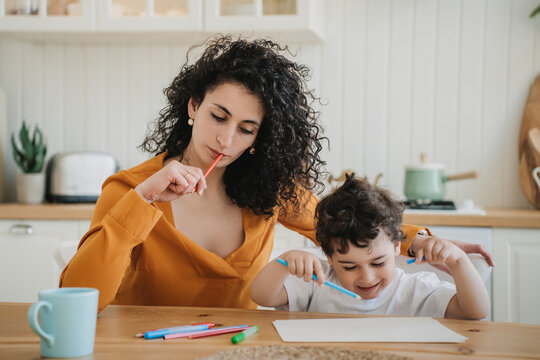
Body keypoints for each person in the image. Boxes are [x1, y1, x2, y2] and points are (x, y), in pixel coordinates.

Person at [59, 35, 493, 312]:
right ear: (193, 107)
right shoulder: (131, 188)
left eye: (246, 129)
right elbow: (80, 297)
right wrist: (145, 201)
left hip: (244, 346)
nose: (226, 140)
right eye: (218, 116)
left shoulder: (268, 188)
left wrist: (419, 239)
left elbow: (333, 219)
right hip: (148, 348)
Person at [250, 174, 490, 319]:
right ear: (329, 257)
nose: (367, 277)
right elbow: (261, 295)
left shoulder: (415, 290)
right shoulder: (318, 282)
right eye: (349, 266)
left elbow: (474, 312)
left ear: (397, 246)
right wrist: (284, 263)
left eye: (378, 262)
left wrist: (459, 262)